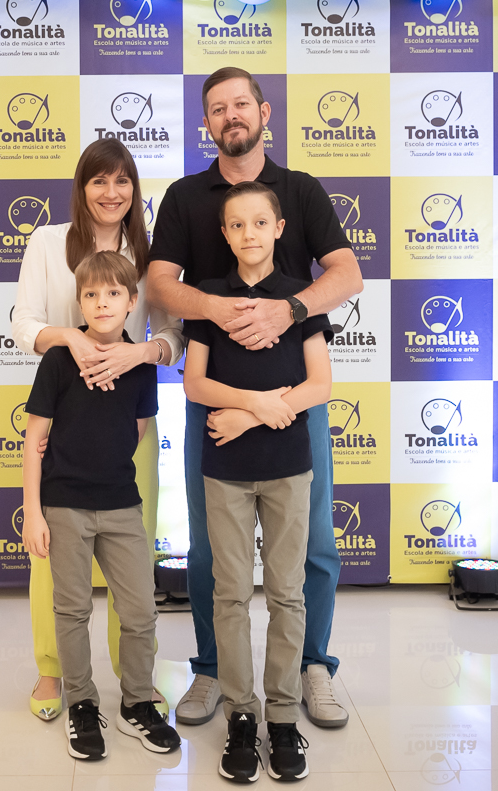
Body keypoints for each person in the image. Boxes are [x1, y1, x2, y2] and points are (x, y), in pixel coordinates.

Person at [147, 67, 363, 730]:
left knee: (314, 544)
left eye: (241, 103)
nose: (231, 115)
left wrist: (288, 309)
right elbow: (159, 285)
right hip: (214, 399)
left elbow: (348, 273)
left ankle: (312, 665)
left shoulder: (300, 189)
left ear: (264, 113)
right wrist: (218, 307)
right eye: (218, 108)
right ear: (206, 123)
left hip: (296, 400)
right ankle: (214, 667)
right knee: (211, 549)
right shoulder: (185, 196)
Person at [12, 138, 184, 721]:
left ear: (134, 189)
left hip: (130, 422)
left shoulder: (151, 255)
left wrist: (141, 353)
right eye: (99, 180)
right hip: (63, 416)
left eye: (122, 181)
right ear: (81, 187)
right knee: (52, 556)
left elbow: (173, 335)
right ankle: (51, 669)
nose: (112, 192)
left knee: (129, 554)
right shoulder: (47, 242)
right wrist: (72, 338)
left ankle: (135, 676)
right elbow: (23, 323)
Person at [185, 182, 332, 782]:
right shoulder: (209, 298)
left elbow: (320, 384)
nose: (249, 233)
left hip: (288, 466)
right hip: (225, 470)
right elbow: (195, 383)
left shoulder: (301, 300)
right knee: (229, 594)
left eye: (260, 223)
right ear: (225, 234)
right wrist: (253, 402)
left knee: (287, 593)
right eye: (237, 225)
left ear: (279, 229)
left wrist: (254, 415)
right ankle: (242, 715)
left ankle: (283, 717)